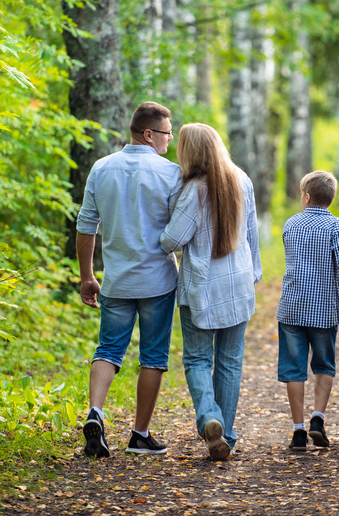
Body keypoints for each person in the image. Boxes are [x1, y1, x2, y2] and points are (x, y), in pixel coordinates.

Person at [76, 101, 182, 457]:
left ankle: (95, 412)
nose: (171, 140)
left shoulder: (101, 168)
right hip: (158, 280)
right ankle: (139, 435)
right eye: (167, 133)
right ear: (149, 134)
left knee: (107, 349)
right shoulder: (170, 173)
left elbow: (86, 226)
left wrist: (87, 275)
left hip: (117, 280)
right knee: (153, 356)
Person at [160, 124, 262, 461]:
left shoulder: (194, 190)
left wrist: (161, 235)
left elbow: (173, 240)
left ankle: (209, 418)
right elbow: (252, 235)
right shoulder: (241, 180)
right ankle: (226, 437)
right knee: (230, 362)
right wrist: (254, 275)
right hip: (238, 283)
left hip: (202, 288)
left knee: (197, 359)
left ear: (191, 152)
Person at [277, 170, 339, 451]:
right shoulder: (338, 227)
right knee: (323, 365)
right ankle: (317, 420)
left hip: (292, 307)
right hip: (323, 309)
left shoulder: (291, 224)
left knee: (293, 369)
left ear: (307, 197)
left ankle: (298, 431)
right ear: (329, 199)